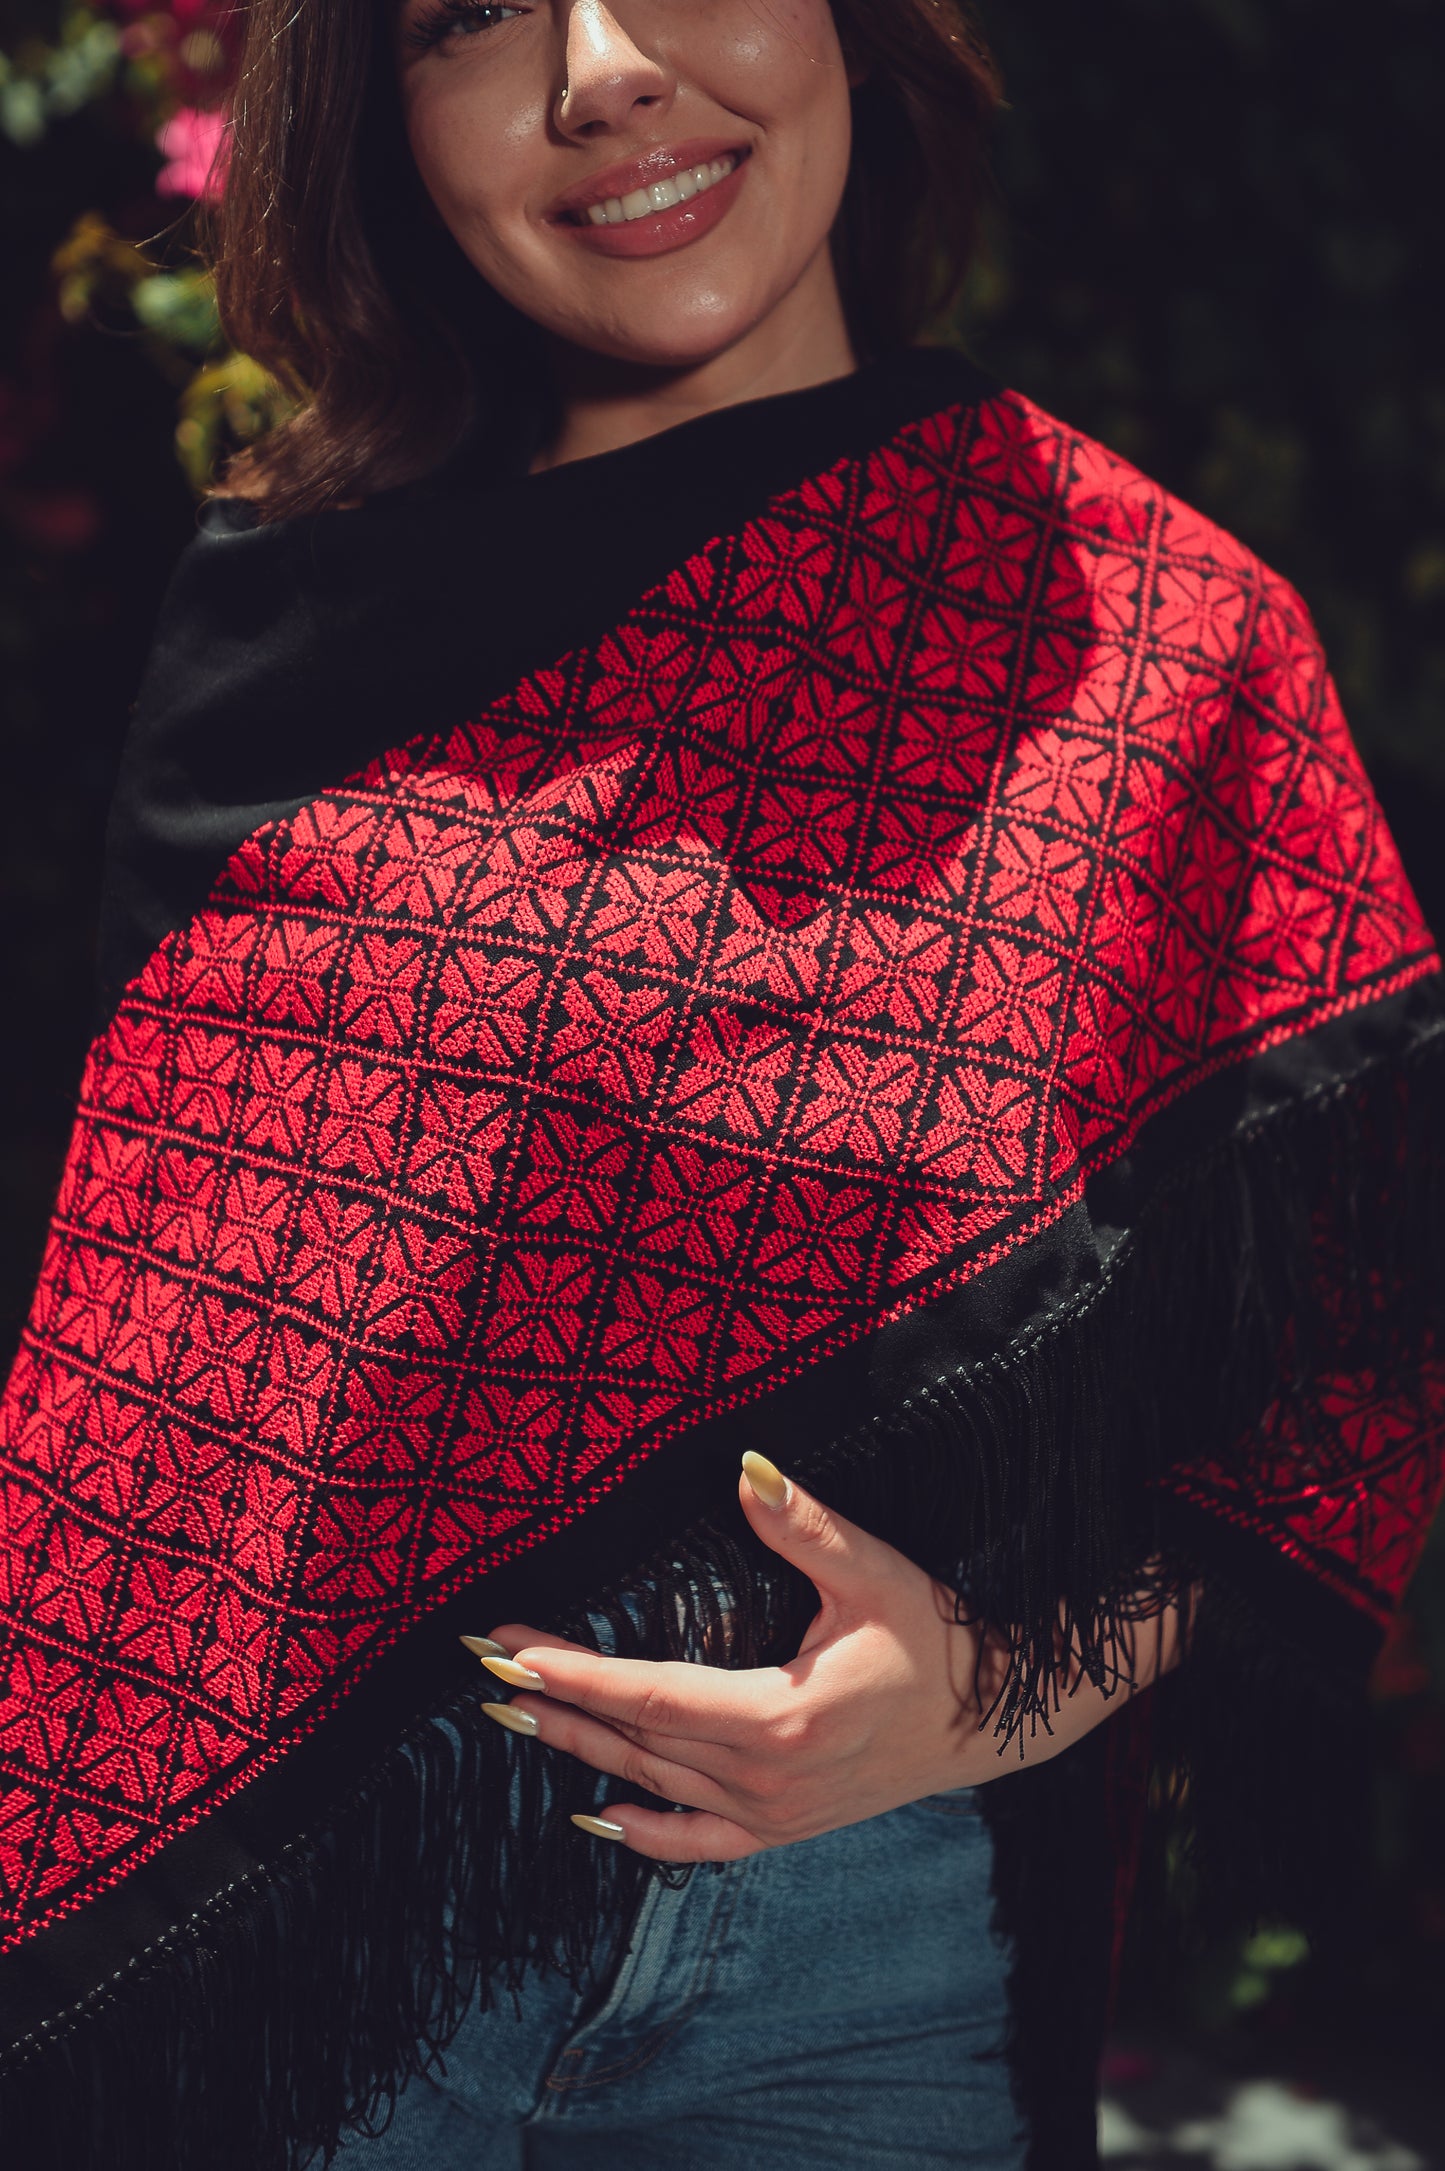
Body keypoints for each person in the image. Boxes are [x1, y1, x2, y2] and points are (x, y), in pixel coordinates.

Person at [0, 2, 1441, 2167]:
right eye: (473, 20)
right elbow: (147, 1416)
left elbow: (1355, 1354)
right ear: (382, 126)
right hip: (302, 1938)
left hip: (876, 1952)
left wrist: (1000, 1686)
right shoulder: (299, 645)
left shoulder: (1166, 644)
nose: (602, 70)